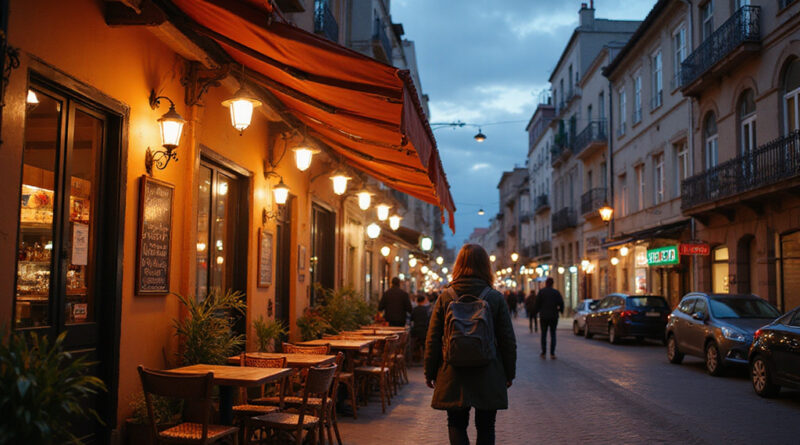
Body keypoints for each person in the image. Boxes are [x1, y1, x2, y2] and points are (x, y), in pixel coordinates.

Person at [424, 244, 516, 445]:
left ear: (458, 265)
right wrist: (509, 373)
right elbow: (508, 340)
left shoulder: (445, 297)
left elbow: (432, 338)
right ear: (485, 266)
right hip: (488, 371)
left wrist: (430, 372)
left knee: (456, 424)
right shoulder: (495, 298)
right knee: (486, 426)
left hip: (453, 372)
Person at [532, 277, 564, 359]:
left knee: (544, 334)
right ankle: (552, 353)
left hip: (544, 316)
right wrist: (561, 311)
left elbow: (537, 304)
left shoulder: (542, 292)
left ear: (546, 283)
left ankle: (543, 352)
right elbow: (561, 303)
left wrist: (536, 312)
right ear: (552, 284)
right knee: (553, 334)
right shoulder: (556, 293)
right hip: (553, 316)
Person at [410, 294, 431, 363]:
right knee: (424, 344)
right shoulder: (426, 310)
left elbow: (411, 319)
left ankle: (416, 357)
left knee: (416, 343)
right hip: (424, 330)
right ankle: (426, 357)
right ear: (424, 301)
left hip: (415, 331)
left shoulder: (415, 309)